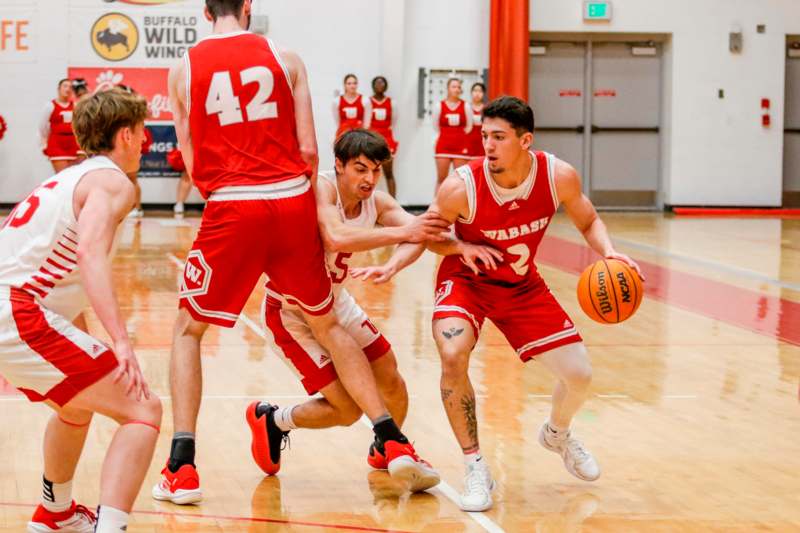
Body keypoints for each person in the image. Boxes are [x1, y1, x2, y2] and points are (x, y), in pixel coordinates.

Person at [155, 0, 446, 505]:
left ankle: (182, 467)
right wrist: (292, 196)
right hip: (290, 198)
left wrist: (228, 195)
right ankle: (389, 434)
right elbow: (309, 151)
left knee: (188, 329)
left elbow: (193, 156)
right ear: (248, 7)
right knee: (328, 322)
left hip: (233, 205)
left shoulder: (183, 69)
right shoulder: (284, 56)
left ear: (206, 11)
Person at [370, 96, 644, 512]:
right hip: (466, 281)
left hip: (520, 286)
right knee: (451, 353)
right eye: (485, 136)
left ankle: (557, 434)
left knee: (580, 375)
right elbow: (428, 234)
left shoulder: (558, 176)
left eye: (499, 137)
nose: (489, 145)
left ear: (525, 140)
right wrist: (449, 249)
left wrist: (609, 253)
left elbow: (588, 220)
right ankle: (475, 465)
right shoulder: (461, 187)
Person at [251, 130, 468, 492]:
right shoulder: (322, 190)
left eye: (376, 170)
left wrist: (463, 246)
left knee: (392, 381)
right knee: (348, 410)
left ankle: (387, 446)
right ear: (338, 165)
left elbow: (422, 235)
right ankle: (273, 421)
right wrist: (407, 233)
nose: (369, 179)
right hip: (291, 313)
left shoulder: (378, 203)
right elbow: (336, 237)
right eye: (360, 169)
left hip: (335, 303)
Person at [0, 88, 161, 533]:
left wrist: (94, 343)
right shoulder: (114, 183)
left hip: (16, 310)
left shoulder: (69, 179)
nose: (146, 141)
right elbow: (89, 254)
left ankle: (56, 513)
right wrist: (121, 341)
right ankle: (110, 528)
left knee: (77, 406)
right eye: (142, 131)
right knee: (143, 410)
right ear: (126, 135)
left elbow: (63, 288)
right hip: (16, 311)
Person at [433, 78, 472, 191]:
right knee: (441, 179)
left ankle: (459, 208)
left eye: (459, 87)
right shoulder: (439, 105)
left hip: (460, 145)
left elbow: (469, 127)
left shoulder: (466, 106)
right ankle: (437, 207)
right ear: (448, 89)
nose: (457, 89)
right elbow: (435, 126)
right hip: (443, 145)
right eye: (454, 86)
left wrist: (458, 136)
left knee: (460, 179)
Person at [39, 79, 80, 173]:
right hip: (57, 145)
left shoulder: (75, 105)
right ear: (59, 89)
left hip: (73, 145)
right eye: (65, 86)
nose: (68, 89)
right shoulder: (50, 105)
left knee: (73, 176)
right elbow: (42, 127)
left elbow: (79, 126)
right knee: (62, 176)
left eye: (70, 87)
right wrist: (44, 144)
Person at [368, 76, 397, 197]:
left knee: (389, 172)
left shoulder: (392, 102)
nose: (380, 85)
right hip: (371, 139)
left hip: (387, 139)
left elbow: (394, 121)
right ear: (373, 85)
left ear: (386, 86)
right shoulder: (367, 102)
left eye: (382, 83)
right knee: (369, 172)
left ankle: (394, 202)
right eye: (377, 83)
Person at [333, 74, 371, 140]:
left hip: (360, 135)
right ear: (344, 85)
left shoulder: (365, 100)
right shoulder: (337, 101)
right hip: (343, 134)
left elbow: (367, 124)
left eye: (354, 83)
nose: (352, 86)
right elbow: (338, 121)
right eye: (349, 83)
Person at [166, 147, 194, 217]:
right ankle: (179, 204)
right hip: (191, 144)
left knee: (210, 172)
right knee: (187, 172)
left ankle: (210, 203)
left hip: (208, 143)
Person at [465, 82, 486, 160]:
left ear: (484, 94)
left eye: (480, 91)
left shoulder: (487, 108)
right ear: (471, 92)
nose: (477, 93)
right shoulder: (465, 107)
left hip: (482, 141)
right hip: (468, 141)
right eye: (475, 90)